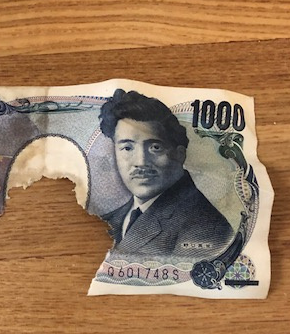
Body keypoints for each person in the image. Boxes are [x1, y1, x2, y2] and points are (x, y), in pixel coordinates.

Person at [99, 89, 235, 261]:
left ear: (179, 155)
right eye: (127, 148)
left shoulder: (207, 228)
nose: (141, 162)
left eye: (155, 147)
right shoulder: (114, 219)